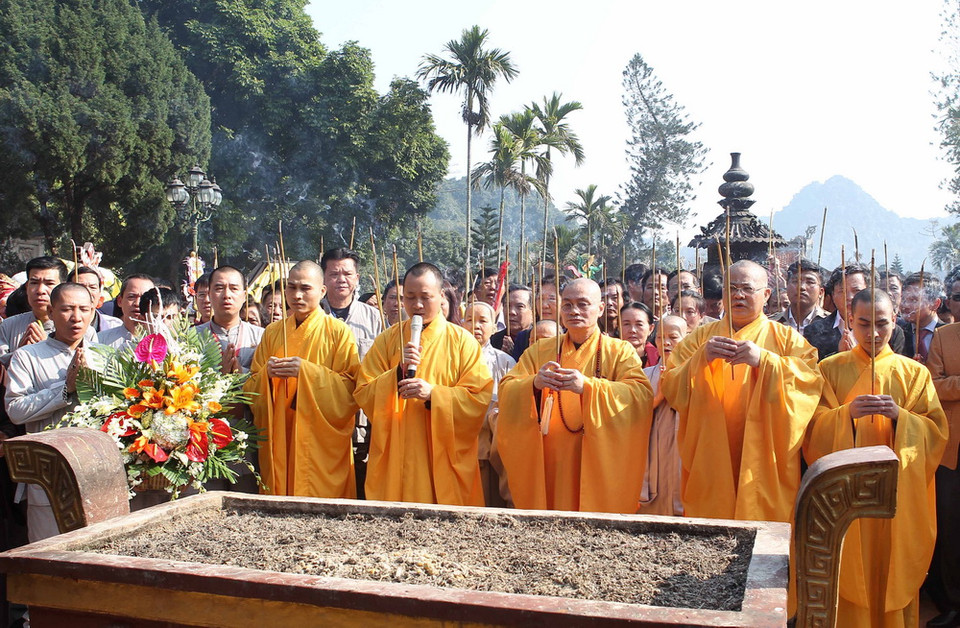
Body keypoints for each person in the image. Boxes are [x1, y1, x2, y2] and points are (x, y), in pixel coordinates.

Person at [805, 289, 947, 627]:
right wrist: (845, 415)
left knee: (890, 567)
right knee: (847, 569)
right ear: (850, 321)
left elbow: (936, 434)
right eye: (864, 324)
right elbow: (810, 434)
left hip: (894, 497)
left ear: (895, 320)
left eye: (882, 324)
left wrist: (902, 418)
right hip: (845, 497)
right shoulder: (830, 369)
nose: (873, 333)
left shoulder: (914, 373)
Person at [661, 260, 822, 522]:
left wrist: (766, 361)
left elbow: (810, 383)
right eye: (732, 288)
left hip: (764, 459)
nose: (738, 295)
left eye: (747, 289)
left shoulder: (786, 339)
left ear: (766, 294)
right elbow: (671, 386)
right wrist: (701, 359)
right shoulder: (701, 339)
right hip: (712, 454)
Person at [497, 278, 654, 514]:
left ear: (600, 308)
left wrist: (590, 387)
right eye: (567, 305)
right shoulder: (540, 350)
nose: (574, 311)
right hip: (550, 458)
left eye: (583, 304)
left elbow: (641, 394)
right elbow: (507, 388)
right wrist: (534, 384)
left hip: (598, 457)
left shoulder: (620, 351)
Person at [355, 263, 493, 506]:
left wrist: (434, 395)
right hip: (397, 451)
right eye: (409, 297)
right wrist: (396, 373)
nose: (417, 305)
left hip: (441, 455)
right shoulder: (388, 340)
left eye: (425, 297)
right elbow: (364, 392)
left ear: (441, 297)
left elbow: (478, 397)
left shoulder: (463, 342)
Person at [244, 261, 360, 499]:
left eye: (305, 288)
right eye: (291, 287)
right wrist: (267, 374)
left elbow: (351, 390)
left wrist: (307, 372)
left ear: (322, 291)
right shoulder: (273, 332)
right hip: (279, 432)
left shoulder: (338, 332)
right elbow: (251, 386)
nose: (297, 295)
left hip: (318, 439)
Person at [4, 283, 97, 541]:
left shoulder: (103, 356)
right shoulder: (28, 357)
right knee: (50, 553)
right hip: (49, 475)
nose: (76, 317)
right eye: (66, 309)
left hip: (95, 470)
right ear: (51, 312)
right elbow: (15, 410)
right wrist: (64, 389)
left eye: (83, 309)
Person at [319, 248, 383, 499]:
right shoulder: (313, 317)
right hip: (323, 409)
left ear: (357, 278)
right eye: (334, 274)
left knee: (359, 470)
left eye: (347, 273)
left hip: (361, 414)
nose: (341, 279)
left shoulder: (374, 318)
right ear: (323, 278)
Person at [462, 300, 516, 507]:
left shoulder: (505, 362)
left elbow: (512, 403)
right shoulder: (452, 357)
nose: (475, 326)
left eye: (483, 321)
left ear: (494, 328)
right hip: (459, 441)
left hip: (491, 445)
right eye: (469, 320)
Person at [925, 314, 960, 628]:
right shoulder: (944, 336)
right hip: (953, 452)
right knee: (950, 528)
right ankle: (952, 604)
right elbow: (933, 385)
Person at [637, 314, 689, 516]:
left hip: (680, 451)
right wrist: (657, 398)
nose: (665, 342)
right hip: (653, 453)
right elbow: (629, 417)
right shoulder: (644, 375)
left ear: (687, 338)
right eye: (660, 337)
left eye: (673, 337)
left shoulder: (695, 373)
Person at [804, 263, 906, 361]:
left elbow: (893, 368)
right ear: (833, 295)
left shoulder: (891, 331)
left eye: (856, 291)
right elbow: (814, 371)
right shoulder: (814, 330)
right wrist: (839, 355)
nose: (849, 297)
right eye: (842, 291)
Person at [0, 257, 80, 367]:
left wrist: (47, 348)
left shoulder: (79, 327)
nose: (40, 290)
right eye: (34, 283)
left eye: (49, 283)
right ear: (27, 286)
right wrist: (19, 354)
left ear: (62, 287)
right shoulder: (8, 326)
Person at [197, 266, 264, 373]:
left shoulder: (261, 336)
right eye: (219, 288)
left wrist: (241, 372)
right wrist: (217, 373)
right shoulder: (193, 336)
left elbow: (268, 378)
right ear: (209, 294)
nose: (227, 295)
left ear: (244, 296)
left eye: (234, 288)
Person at [769, 258, 828, 335]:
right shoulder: (771, 324)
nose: (801, 287)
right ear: (787, 287)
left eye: (810, 282)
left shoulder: (832, 323)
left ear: (821, 292)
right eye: (795, 281)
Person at [96, 274, 155, 349]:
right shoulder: (101, 340)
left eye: (144, 298)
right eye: (131, 297)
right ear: (120, 301)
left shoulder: (165, 342)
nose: (137, 303)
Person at [900, 272, 945, 361]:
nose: (906, 305)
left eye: (913, 300)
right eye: (904, 299)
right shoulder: (898, 332)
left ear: (935, 304)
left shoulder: (948, 334)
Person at [74, 266, 122, 333]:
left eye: (92, 287)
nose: (88, 292)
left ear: (100, 293)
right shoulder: (57, 325)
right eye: (81, 287)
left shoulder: (115, 327)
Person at [491, 284, 533, 354]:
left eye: (520, 306)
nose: (511, 312)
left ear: (533, 311)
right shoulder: (494, 340)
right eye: (507, 306)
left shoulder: (538, 338)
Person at [619, 301, 658, 367]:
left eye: (639, 324)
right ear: (618, 327)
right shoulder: (609, 357)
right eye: (626, 324)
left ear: (651, 328)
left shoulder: (659, 359)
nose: (632, 330)